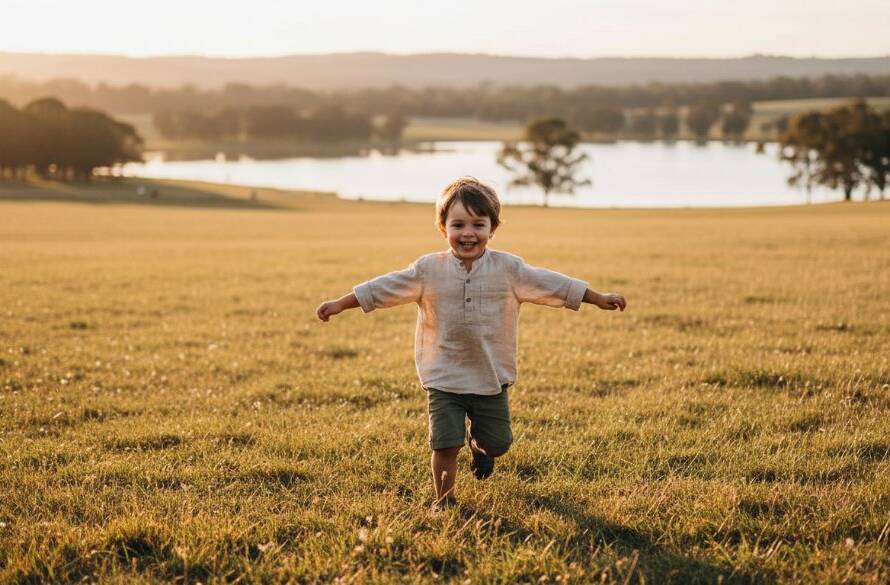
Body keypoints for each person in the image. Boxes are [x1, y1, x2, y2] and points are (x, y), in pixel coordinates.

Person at [315, 177, 626, 511]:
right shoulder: (427, 270)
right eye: (458, 224)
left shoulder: (509, 269)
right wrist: (340, 303)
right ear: (442, 227)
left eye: (479, 224)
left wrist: (597, 297)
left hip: (490, 377)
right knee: (445, 445)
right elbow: (383, 287)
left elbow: (553, 283)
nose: (468, 233)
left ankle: (480, 449)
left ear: (493, 228)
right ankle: (443, 501)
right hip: (443, 376)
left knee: (498, 443)